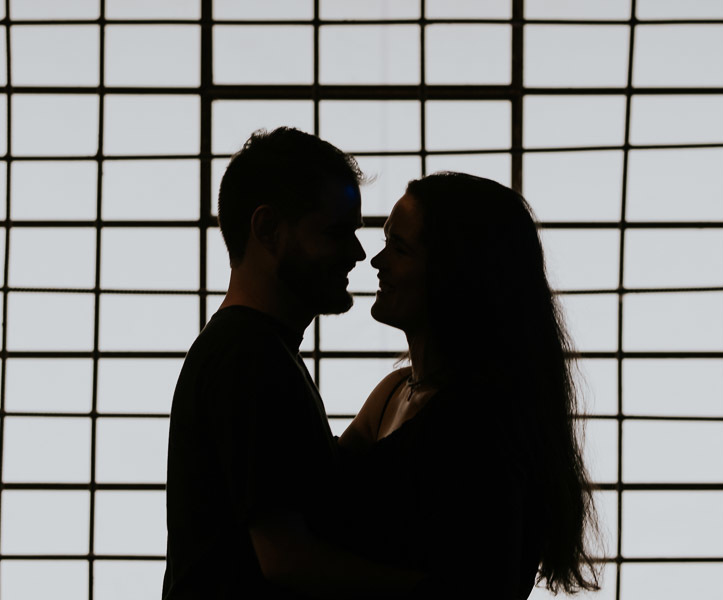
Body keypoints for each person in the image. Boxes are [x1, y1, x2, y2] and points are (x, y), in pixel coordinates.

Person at [161, 127, 425, 599]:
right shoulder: (248, 358)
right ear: (267, 230)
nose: (358, 253)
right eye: (335, 232)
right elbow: (287, 560)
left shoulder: (253, 349)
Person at [336, 172, 603, 598]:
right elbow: (316, 485)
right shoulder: (394, 391)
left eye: (399, 248)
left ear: (454, 275)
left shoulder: (485, 425)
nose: (376, 262)